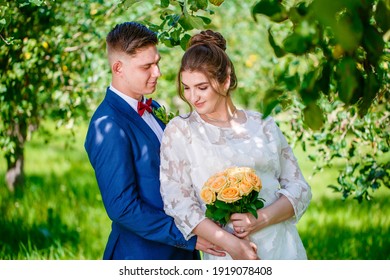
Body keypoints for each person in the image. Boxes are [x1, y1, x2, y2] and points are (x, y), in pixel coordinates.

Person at [159, 30, 312, 260]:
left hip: (282, 248)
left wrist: (260, 219)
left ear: (226, 80)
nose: (193, 97)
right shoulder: (180, 131)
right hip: (227, 253)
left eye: (202, 87)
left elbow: (300, 187)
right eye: (186, 88)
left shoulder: (263, 125)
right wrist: (232, 245)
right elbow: (178, 202)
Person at [84, 22, 224, 260]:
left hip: (184, 251)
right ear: (118, 68)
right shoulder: (108, 125)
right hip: (143, 255)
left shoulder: (154, 108)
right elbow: (122, 207)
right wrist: (187, 235)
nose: (157, 72)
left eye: (157, 62)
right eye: (146, 66)